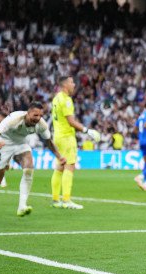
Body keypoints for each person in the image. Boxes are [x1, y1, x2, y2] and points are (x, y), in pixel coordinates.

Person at [0, 102, 66, 217]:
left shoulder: (41, 124)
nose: (38, 118)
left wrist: (59, 156)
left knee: (29, 169)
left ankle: (22, 206)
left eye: (40, 116)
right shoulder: (14, 118)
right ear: (28, 113)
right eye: (35, 115)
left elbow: (48, 141)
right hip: (4, 144)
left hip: (21, 144)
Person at [50, 76, 101, 209]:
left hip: (57, 136)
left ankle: (56, 200)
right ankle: (66, 201)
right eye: (72, 82)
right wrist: (87, 131)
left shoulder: (56, 98)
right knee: (69, 166)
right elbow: (71, 121)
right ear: (65, 84)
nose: (74, 85)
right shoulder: (66, 100)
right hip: (67, 137)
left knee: (59, 167)